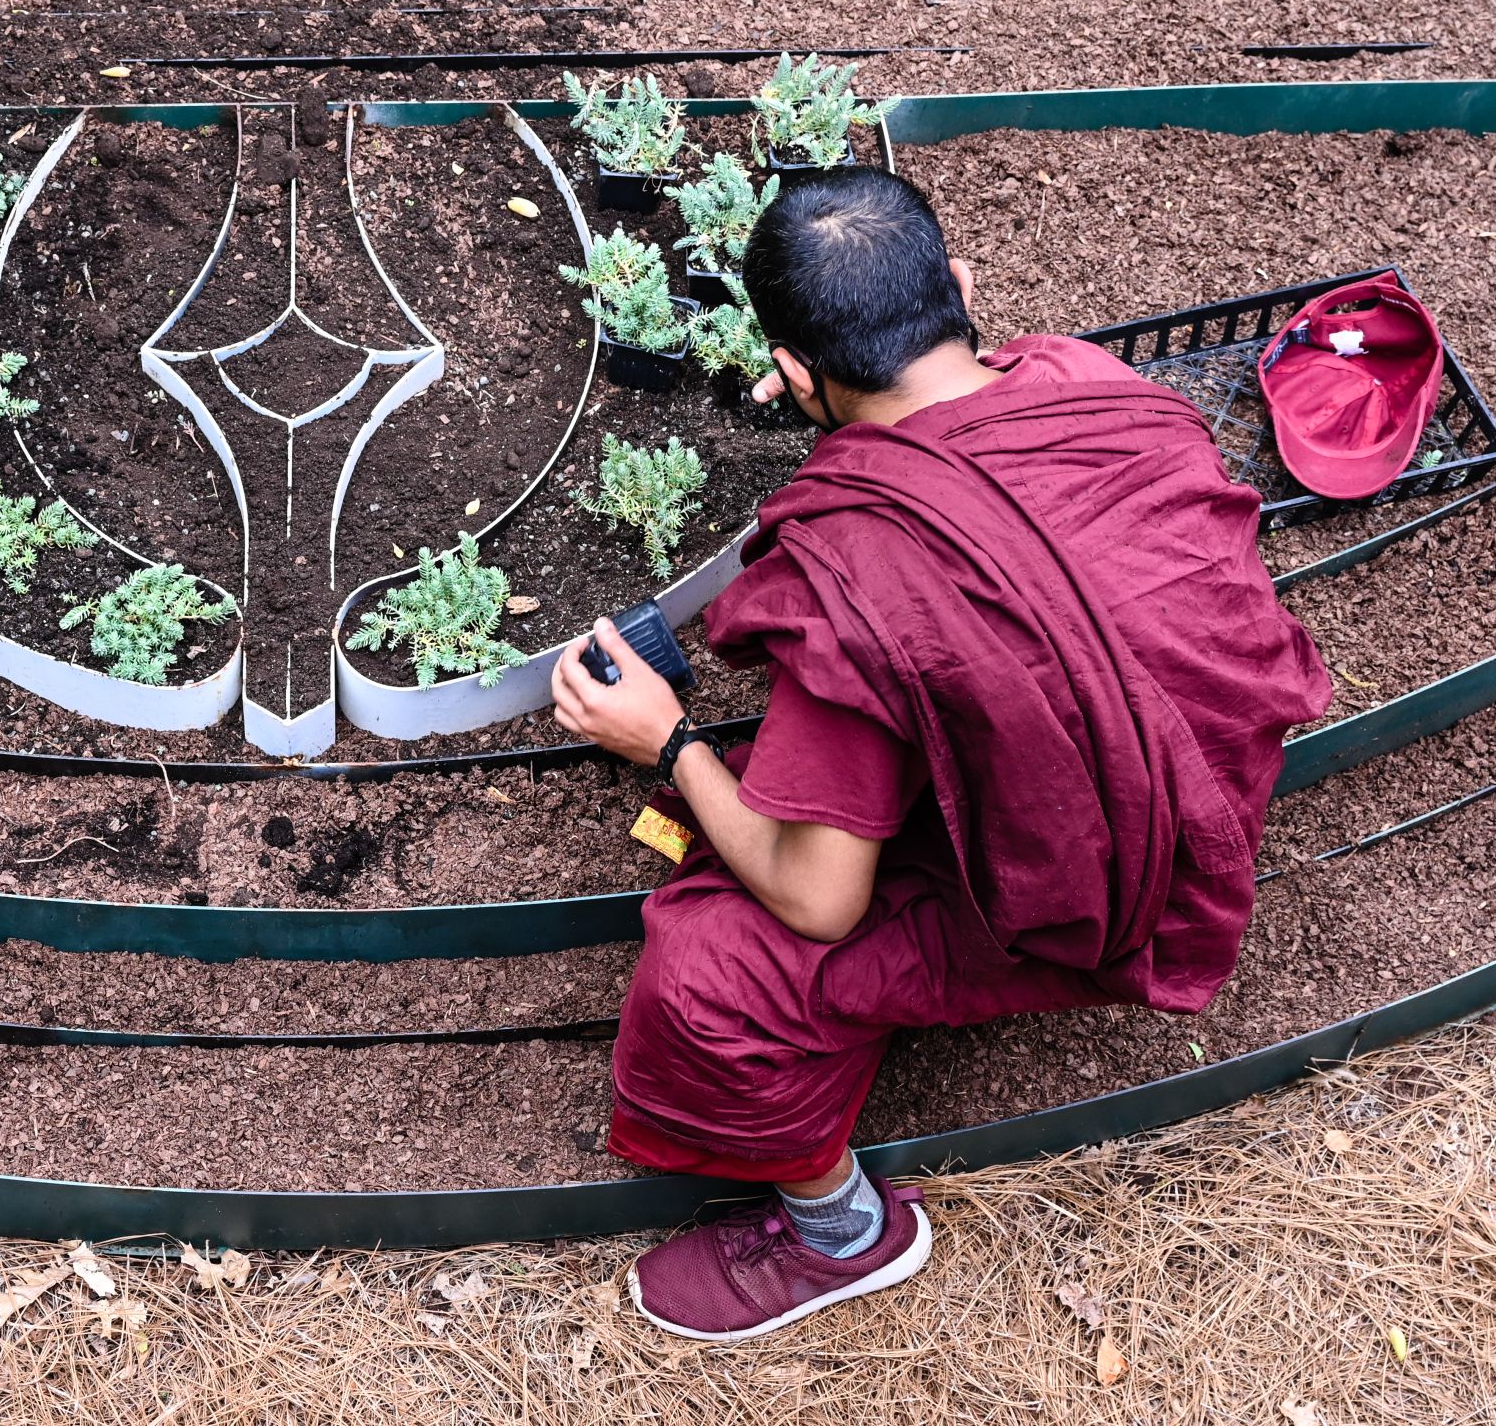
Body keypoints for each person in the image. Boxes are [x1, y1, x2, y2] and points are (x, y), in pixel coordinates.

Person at [549, 166, 1331, 1343]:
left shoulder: (854, 575)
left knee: (713, 968)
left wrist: (664, 740)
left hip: (1103, 892)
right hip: (1199, 793)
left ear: (794, 376)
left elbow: (819, 902)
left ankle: (841, 1233)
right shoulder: (1095, 386)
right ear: (960, 287)